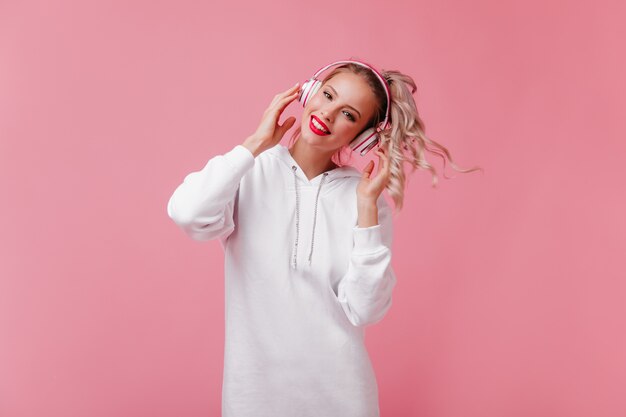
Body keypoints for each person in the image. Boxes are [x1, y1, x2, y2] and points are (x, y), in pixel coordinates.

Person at [166, 59, 481, 417]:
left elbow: (364, 309)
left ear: (364, 137)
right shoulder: (248, 171)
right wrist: (254, 144)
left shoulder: (366, 201)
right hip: (253, 398)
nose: (328, 114)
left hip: (342, 399)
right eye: (327, 95)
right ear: (310, 92)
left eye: (348, 114)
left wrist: (365, 209)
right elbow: (187, 214)